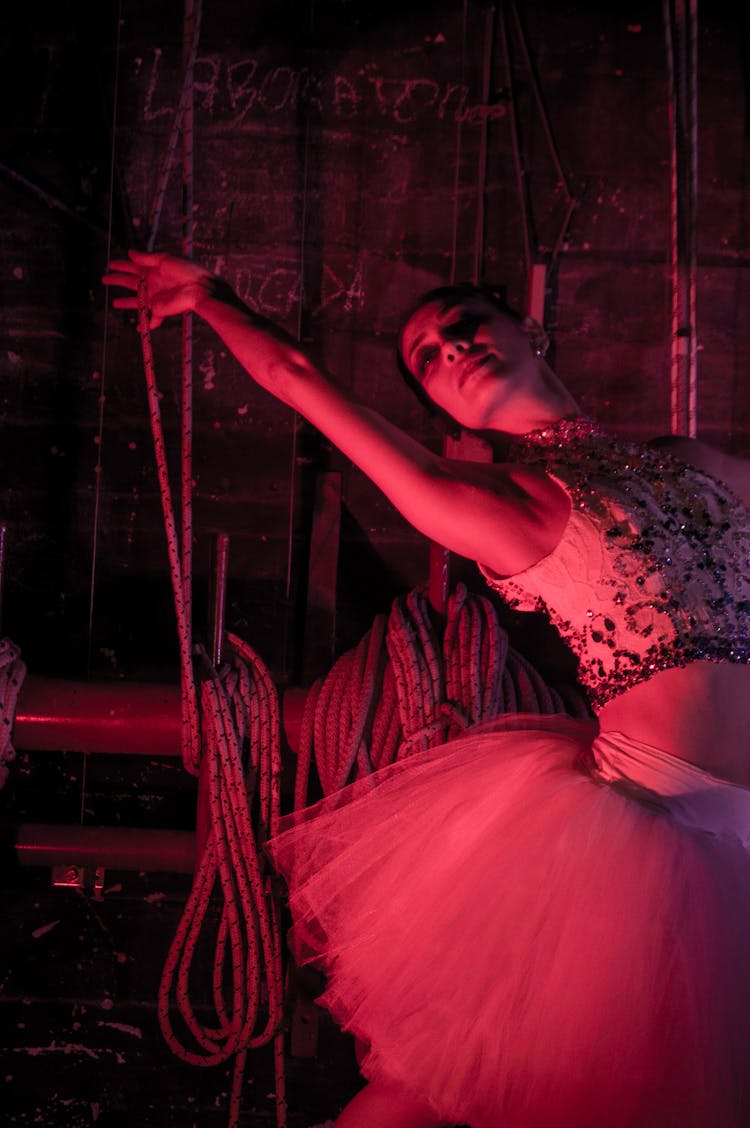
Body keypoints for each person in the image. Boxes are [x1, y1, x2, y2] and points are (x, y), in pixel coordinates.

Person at [105, 250, 750, 1128]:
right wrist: (216, 303)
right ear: (439, 408)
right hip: (651, 831)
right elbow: (298, 379)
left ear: (529, 330)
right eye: (423, 356)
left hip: (739, 841)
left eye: (461, 320)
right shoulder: (489, 498)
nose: (449, 344)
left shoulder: (691, 459)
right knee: (454, 1085)